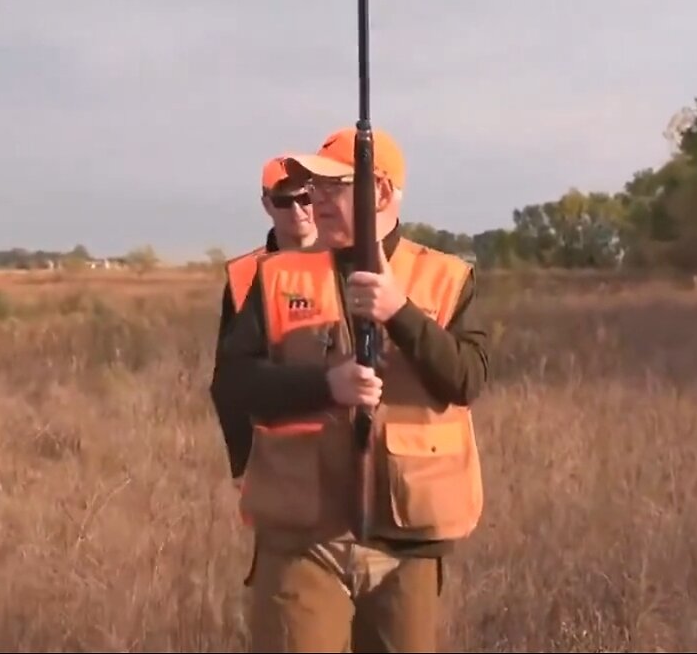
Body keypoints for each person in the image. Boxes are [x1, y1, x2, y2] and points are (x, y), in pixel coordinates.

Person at [209, 126, 490, 653]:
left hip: (406, 542)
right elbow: (234, 382)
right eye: (309, 187)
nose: (315, 200)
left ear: (380, 192)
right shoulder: (276, 277)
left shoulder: (448, 279)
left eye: (332, 185)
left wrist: (399, 313)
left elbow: (466, 378)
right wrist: (325, 386)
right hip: (301, 537)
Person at [214, 155, 317, 485]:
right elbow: (227, 379)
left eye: (306, 198)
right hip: (273, 455)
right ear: (266, 205)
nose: (298, 211)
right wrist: (244, 463)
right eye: (284, 201)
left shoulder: (348, 265)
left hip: (339, 449)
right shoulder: (244, 275)